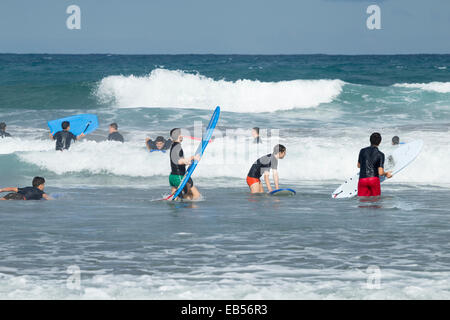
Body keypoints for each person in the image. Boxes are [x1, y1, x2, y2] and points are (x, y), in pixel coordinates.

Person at [169, 128, 201, 200]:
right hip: (179, 177)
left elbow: (176, 162)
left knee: (174, 199)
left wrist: (187, 162)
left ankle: (176, 200)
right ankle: (179, 199)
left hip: (173, 176)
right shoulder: (178, 147)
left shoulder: (173, 146)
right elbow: (178, 161)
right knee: (196, 195)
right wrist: (193, 157)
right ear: (179, 135)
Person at [357, 132, 392, 197]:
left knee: (362, 202)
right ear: (380, 142)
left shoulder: (362, 151)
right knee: (376, 202)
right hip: (374, 180)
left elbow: (358, 165)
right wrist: (386, 174)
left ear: (370, 140)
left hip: (362, 179)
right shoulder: (381, 154)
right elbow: (381, 173)